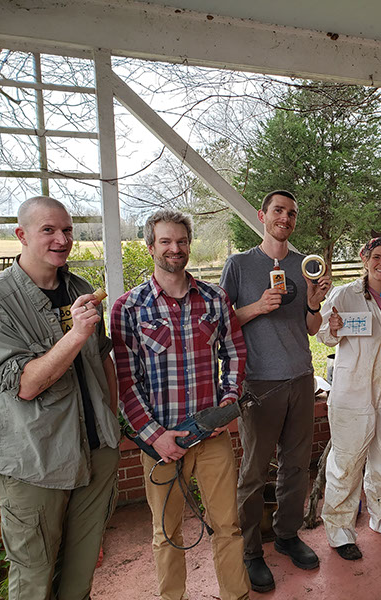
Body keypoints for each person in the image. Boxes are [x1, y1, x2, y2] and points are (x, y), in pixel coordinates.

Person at [0, 196, 121, 600]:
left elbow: (102, 357)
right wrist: (74, 335)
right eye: (48, 230)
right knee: (34, 581)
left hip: (95, 449)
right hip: (34, 464)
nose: (61, 239)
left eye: (66, 230)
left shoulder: (79, 288)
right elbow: (25, 384)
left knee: (80, 574)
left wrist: (113, 421)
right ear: (21, 235)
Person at [111, 209, 250, 600]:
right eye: (166, 242)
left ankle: (235, 595)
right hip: (162, 444)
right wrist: (155, 437)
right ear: (151, 246)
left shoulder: (214, 298)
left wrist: (227, 404)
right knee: (166, 533)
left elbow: (235, 351)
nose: (175, 249)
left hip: (212, 435)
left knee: (227, 526)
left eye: (182, 241)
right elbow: (126, 380)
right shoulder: (128, 308)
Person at [220, 190, 331, 592]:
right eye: (278, 211)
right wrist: (256, 307)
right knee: (253, 471)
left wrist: (315, 303)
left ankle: (286, 535)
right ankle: (250, 550)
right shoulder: (239, 264)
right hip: (259, 381)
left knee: (296, 465)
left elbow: (312, 329)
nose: (285, 217)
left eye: (291, 213)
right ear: (262, 215)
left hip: (302, 377)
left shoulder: (304, 266)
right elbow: (221, 322)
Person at [316, 237, 381, 560]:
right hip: (353, 390)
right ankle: (339, 531)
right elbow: (323, 335)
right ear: (365, 259)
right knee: (346, 462)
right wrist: (332, 327)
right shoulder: (345, 294)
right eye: (376, 257)